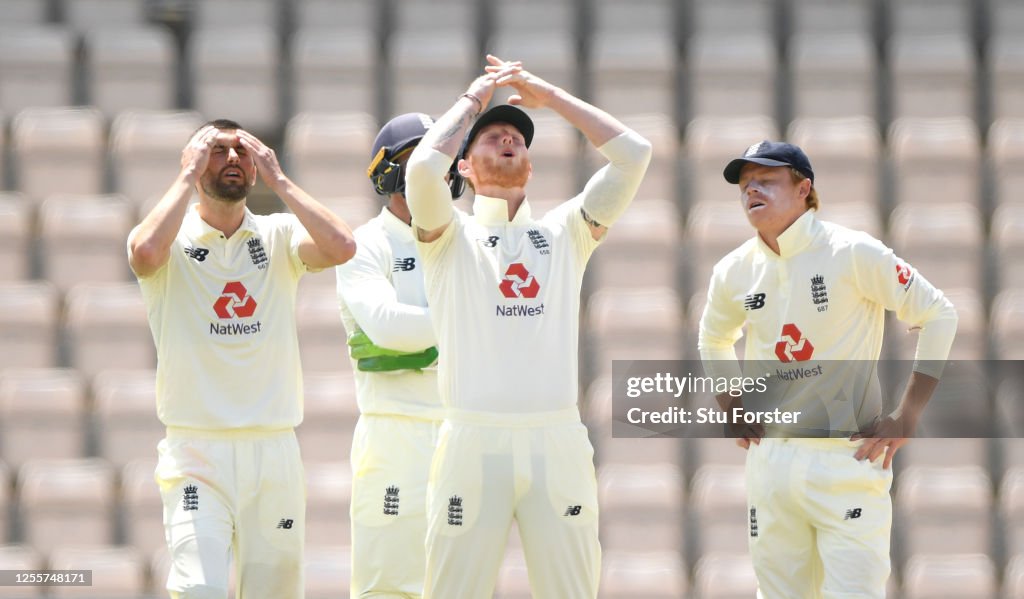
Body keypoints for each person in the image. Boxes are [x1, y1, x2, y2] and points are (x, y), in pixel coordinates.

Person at [404, 55, 652, 598]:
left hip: (556, 438)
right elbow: (421, 171)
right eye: (489, 138)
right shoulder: (448, 237)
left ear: (532, 167)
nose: (507, 140)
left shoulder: (565, 233)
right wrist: (473, 102)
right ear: (463, 168)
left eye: (516, 136)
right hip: (472, 438)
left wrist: (551, 97)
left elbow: (635, 155)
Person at [697, 140, 959, 598]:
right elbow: (713, 338)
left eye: (767, 180)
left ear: (804, 189)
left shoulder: (853, 252)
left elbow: (939, 313)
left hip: (848, 458)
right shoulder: (733, 270)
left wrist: (907, 416)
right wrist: (731, 404)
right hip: (772, 463)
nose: (751, 191)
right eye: (744, 184)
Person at [127, 119, 356, 598]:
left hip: (272, 453)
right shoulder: (171, 239)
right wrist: (186, 176)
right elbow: (144, 253)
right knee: (199, 590)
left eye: (242, 152)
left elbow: (342, 246)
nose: (232, 158)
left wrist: (281, 180)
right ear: (192, 160)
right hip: (196, 452)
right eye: (217, 150)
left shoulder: (278, 236)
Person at [335, 113, 452, 597]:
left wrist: (417, 346)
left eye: (443, 158)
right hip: (393, 434)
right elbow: (384, 326)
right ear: (392, 173)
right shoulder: (367, 244)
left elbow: (398, 338)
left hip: (460, 435)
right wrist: (467, 334)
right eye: (421, 157)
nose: (437, 170)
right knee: (389, 587)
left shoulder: (466, 240)